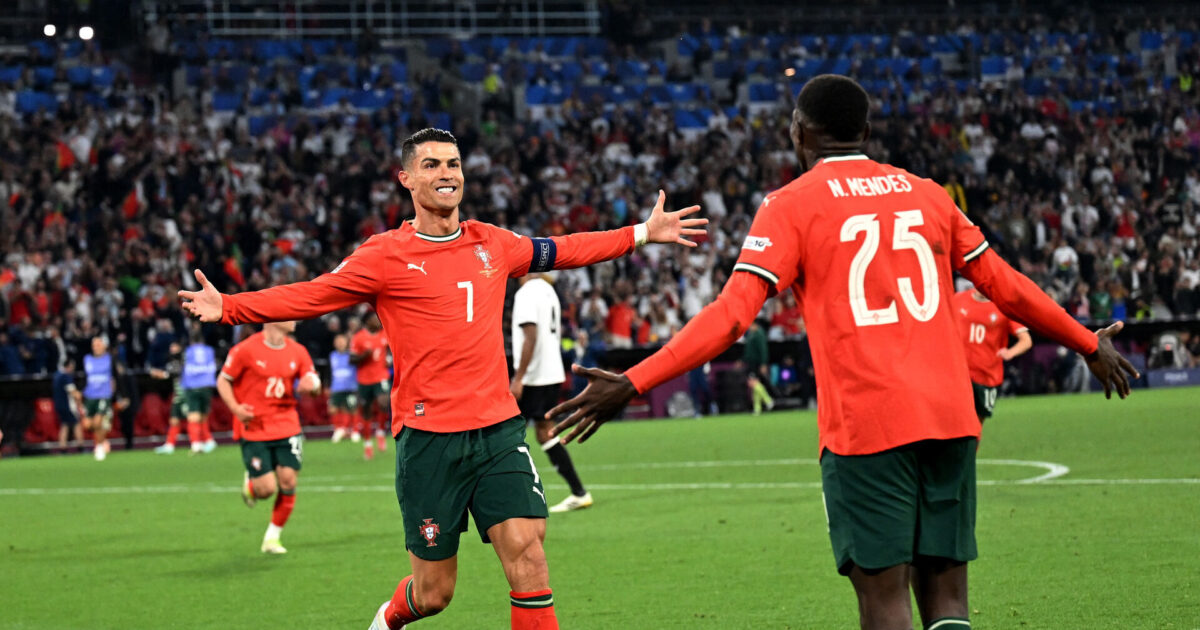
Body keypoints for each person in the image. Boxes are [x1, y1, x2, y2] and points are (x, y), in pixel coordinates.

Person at [548, 75, 1138, 630]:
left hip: (869, 425)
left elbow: (730, 318)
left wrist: (635, 380)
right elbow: (1005, 284)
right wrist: (1088, 342)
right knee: (949, 596)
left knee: (884, 600)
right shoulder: (928, 194)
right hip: (952, 417)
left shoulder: (791, 205)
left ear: (799, 130)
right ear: (866, 129)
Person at [178, 127, 704, 630]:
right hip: (429, 441)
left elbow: (563, 249)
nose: (446, 173)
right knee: (434, 594)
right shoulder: (383, 256)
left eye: (453, 164)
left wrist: (641, 233)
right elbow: (311, 294)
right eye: (431, 165)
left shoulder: (493, 244)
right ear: (406, 179)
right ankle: (388, 618)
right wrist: (227, 307)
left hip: (498, 430)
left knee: (529, 554)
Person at [217, 320, 320, 554]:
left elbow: (313, 380)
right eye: (290, 314)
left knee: (289, 481)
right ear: (274, 317)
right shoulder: (245, 349)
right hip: (255, 426)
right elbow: (223, 380)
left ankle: (272, 538)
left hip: (287, 425)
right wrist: (236, 408)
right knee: (266, 490)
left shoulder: (298, 350)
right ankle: (252, 485)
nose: (295, 318)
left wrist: (311, 385)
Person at [510, 271, 592, 513]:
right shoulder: (548, 290)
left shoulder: (525, 293)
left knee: (505, 432)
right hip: (552, 372)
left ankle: (515, 498)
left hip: (534, 376)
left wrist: (519, 378)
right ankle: (579, 492)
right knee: (544, 433)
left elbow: (530, 336)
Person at [952, 287, 1033, 421]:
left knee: (977, 423)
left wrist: (1010, 352)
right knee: (956, 421)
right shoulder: (958, 299)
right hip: (959, 373)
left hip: (987, 375)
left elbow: (1026, 340)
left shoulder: (1003, 306)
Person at [352, 312, 390, 459]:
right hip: (364, 379)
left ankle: (380, 432)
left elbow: (391, 349)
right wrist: (363, 356)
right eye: (375, 319)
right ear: (368, 321)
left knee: (384, 403)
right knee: (366, 411)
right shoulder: (359, 338)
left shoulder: (384, 334)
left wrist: (389, 359)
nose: (378, 321)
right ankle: (368, 444)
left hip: (381, 376)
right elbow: (352, 359)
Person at [82, 336, 115, 461]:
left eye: (98, 344)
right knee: (87, 425)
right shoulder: (87, 359)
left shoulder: (110, 359)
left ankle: (100, 447)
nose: (96, 347)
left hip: (104, 395)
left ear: (104, 346)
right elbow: (84, 377)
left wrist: (118, 395)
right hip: (90, 395)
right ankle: (103, 441)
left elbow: (115, 377)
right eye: (94, 344)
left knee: (97, 422)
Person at [328, 333, 359, 443]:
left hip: (350, 386)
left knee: (352, 409)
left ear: (346, 343)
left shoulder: (351, 355)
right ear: (334, 343)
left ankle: (355, 431)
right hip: (336, 387)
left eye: (342, 341)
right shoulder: (332, 356)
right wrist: (328, 385)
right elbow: (329, 372)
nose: (340, 343)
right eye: (338, 341)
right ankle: (339, 429)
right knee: (333, 409)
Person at [52, 357, 84, 453]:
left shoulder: (57, 375)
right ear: (69, 366)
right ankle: (80, 446)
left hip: (58, 405)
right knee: (76, 423)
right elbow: (73, 392)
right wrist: (80, 400)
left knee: (65, 425)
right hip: (68, 405)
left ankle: (63, 447)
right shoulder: (66, 376)